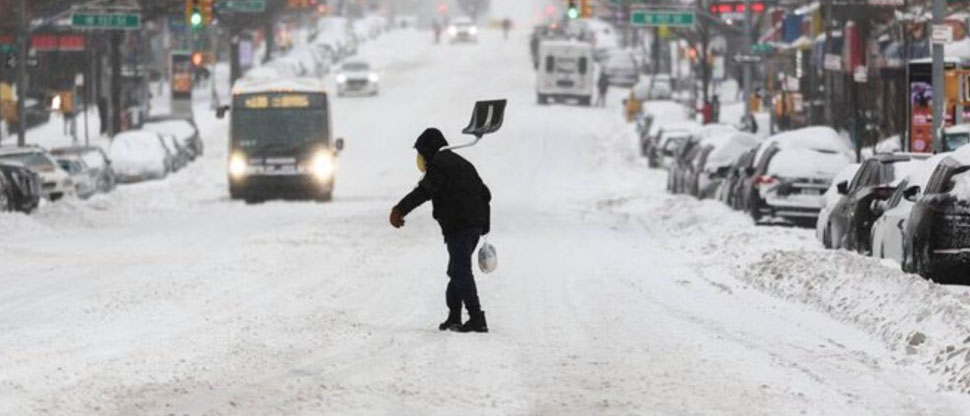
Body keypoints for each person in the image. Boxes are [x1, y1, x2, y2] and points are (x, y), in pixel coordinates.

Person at [390, 128, 492, 333]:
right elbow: (485, 193)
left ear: (428, 150)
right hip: (471, 225)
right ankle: (454, 316)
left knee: (460, 269)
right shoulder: (461, 163)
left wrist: (400, 209)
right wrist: (484, 224)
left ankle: (476, 318)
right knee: (456, 269)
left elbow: (424, 191)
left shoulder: (439, 165)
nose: (419, 158)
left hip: (460, 226)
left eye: (420, 153)